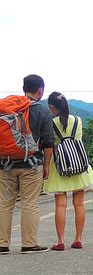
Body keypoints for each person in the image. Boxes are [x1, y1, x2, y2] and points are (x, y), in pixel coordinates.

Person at [0, 74, 54, 254]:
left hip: (5, 163)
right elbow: (48, 142)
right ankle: (29, 244)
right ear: (40, 90)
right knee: (29, 203)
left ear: (24, 88)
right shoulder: (42, 110)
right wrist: (46, 165)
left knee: (4, 204)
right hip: (32, 165)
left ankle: (2, 244)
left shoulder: (8, 108)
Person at [43, 92, 93, 251]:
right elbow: (78, 140)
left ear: (52, 107)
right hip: (78, 164)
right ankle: (78, 239)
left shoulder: (51, 123)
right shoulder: (78, 121)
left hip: (59, 166)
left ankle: (60, 241)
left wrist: (46, 164)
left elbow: (49, 144)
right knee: (79, 203)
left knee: (60, 205)